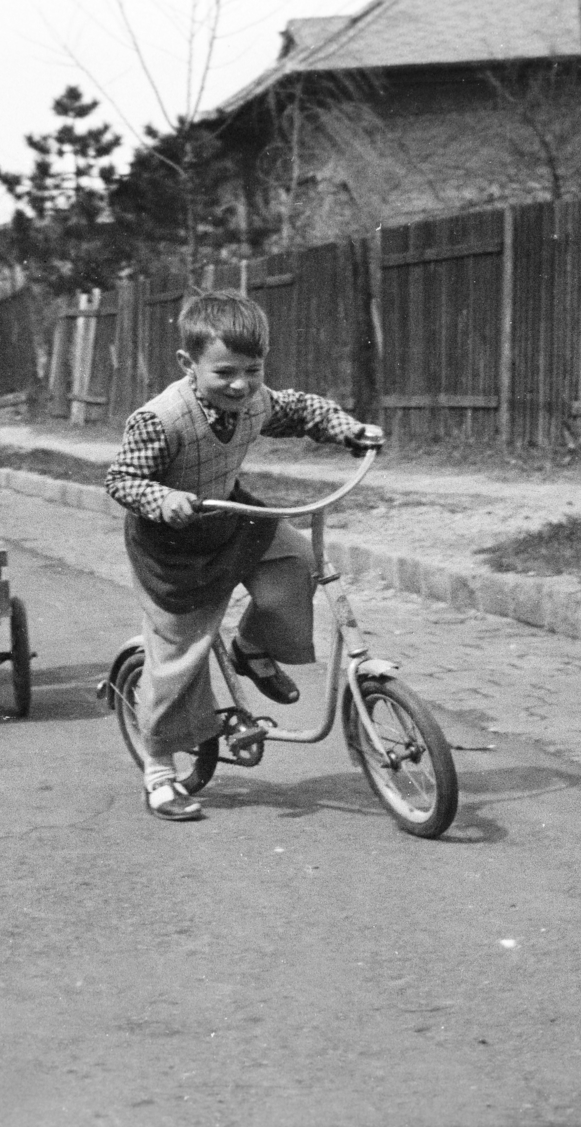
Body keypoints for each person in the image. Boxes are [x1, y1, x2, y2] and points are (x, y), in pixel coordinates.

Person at [105, 290, 383, 822]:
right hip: (171, 547)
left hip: (231, 516)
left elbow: (298, 408)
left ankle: (253, 648)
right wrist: (162, 499)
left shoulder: (253, 401)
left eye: (252, 370)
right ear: (189, 365)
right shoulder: (158, 419)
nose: (240, 385)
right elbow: (121, 479)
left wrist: (348, 430)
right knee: (180, 655)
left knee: (297, 563)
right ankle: (159, 769)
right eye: (224, 372)